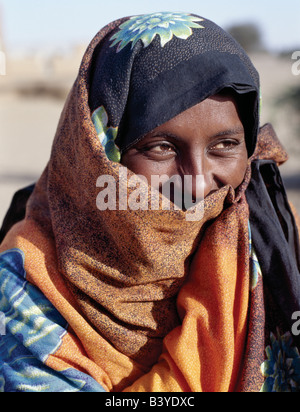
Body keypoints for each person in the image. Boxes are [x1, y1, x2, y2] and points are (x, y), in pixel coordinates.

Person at [0, 11, 300, 393]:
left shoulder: (267, 229)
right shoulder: (27, 284)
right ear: (100, 156)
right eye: (161, 147)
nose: (197, 182)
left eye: (225, 145)